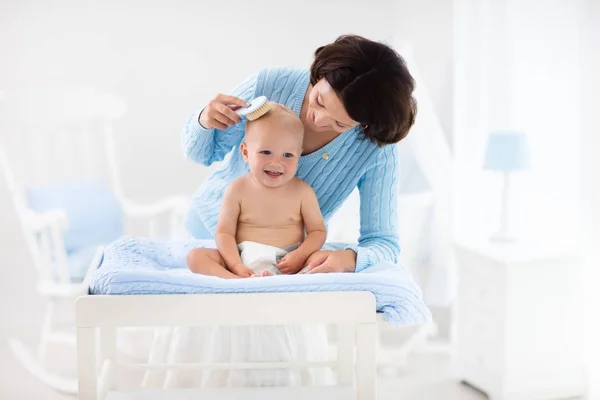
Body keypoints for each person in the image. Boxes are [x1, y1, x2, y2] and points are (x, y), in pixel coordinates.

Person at [182, 34, 416, 274]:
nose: (319, 120)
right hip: (207, 238)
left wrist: (350, 259)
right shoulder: (271, 85)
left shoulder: (374, 147)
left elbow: (384, 242)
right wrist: (204, 120)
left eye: (340, 123)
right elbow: (201, 155)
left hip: (280, 262)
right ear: (320, 73)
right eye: (320, 101)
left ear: (365, 124)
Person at [186, 102, 327, 278]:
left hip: (287, 262)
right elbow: (224, 233)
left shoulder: (303, 192)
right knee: (196, 257)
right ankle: (236, 280)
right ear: (246, 152)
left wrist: (299, 255)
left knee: (324, 259)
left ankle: (282, 280)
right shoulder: (238, 189)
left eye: (287, 155)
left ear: (299, 155)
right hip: (242, 258)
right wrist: (235, 264)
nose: (276, 163)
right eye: (266, 152)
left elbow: (318, 232)